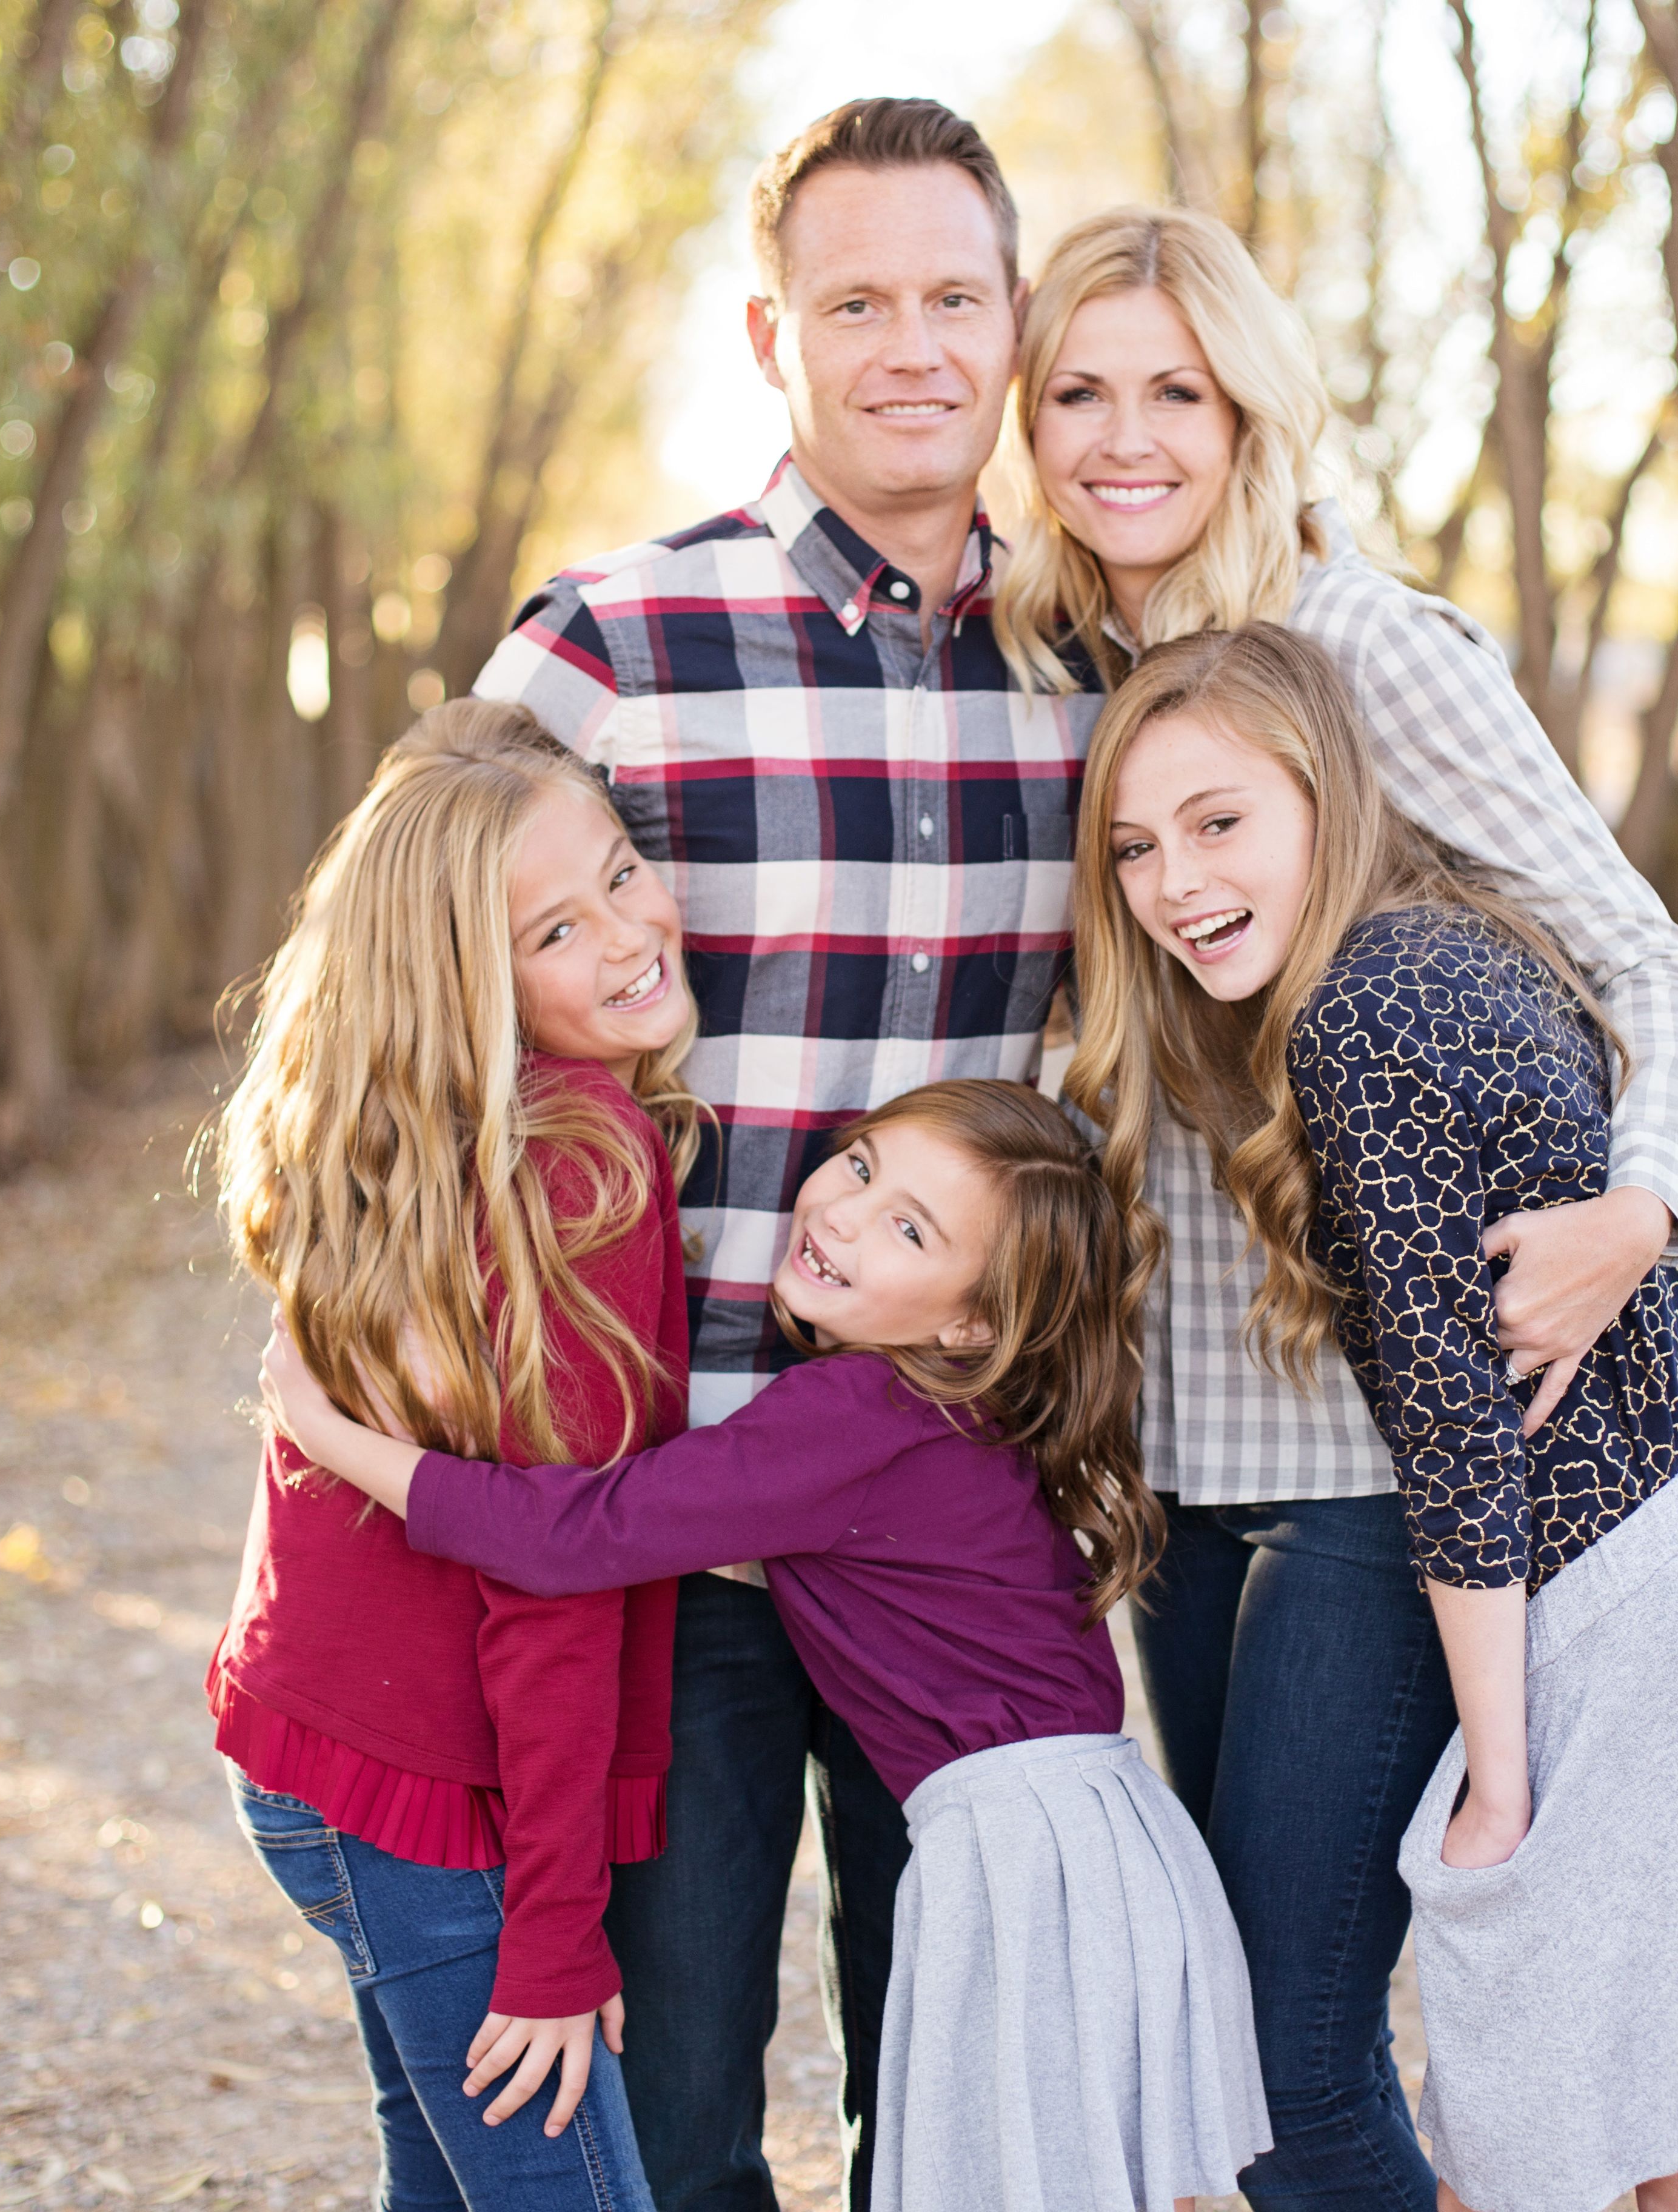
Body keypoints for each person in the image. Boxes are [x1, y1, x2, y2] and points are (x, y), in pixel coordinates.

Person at [995, 204, 1678, 2209]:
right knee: (1254, 2013)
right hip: (1181, 1463)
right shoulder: (1071, 667)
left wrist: (1645, 1202)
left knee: (1280, 2057)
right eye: (1078, 388)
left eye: (1178, 386)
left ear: (1252, 409)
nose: (1125, 432)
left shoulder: (1366, 647)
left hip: (1366, 1456)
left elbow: (1651, 958)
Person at [1070, 623, 1678, 2212]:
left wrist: (1502, 1785)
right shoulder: (1453, 937)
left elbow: (1460, 1448)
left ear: (1328, 795)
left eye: (1219, 821)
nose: (1176, 882)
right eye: (1135, 846)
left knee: (1676, 2144)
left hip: (1626, 1627)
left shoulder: (1360, 1026)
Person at [471, 98, 1092, 2212]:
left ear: (1011, 322)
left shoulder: (1099, 678)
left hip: (954, 1533)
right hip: (677, 1518)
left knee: (963, 2090)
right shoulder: (609, 646)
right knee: (669, 2101)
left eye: (952, 296)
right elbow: (404, 1000)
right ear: (770, 334)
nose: (910, 344)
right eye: (856, 301)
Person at [260, 1079, 1271, 2212]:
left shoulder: (852, 1417)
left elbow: (575, 1534)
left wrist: (330, 1436)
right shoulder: (951, 1412)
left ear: (972, 1322)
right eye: (861, 1164)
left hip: (1026, 1852)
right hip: (1097, 1835)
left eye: (909, 1228)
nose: (843, 1212)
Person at [205, 701, 699, 2212]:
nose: (627, 933)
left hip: (324, 1762)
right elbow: (553, 1577)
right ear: (470, 983)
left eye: (621, 871)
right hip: (433, 1802)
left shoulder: (430, 1144)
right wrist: (556, 1930)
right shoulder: (579, 1171)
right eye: (557, 930)